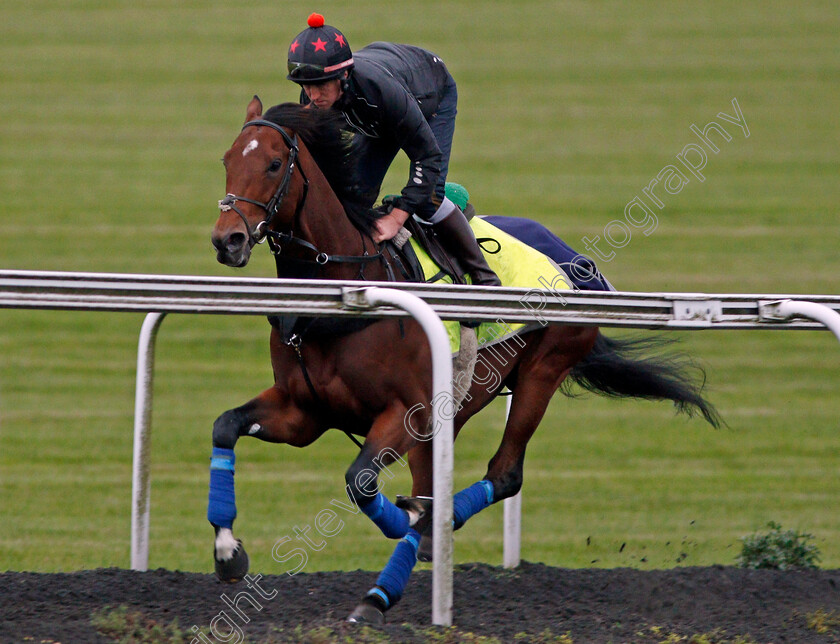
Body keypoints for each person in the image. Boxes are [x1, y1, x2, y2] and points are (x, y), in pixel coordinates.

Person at [286, 13, 501, 287]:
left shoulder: (381, 92)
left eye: (321, 85)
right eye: (306, 86)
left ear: (344, 75)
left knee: (428, 198)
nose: (313, 95)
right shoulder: (315, 98)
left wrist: (397, 218)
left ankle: (485, 278)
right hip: (379, 111)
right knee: (353, 194)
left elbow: (428, 155)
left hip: (430, 95)